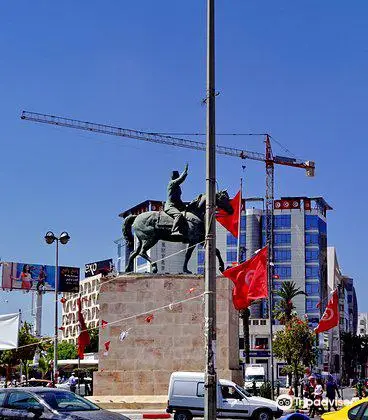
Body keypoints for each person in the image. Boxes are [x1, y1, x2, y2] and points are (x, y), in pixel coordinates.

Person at [164, 163, 188, 234]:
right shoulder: (171, 183)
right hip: (170, 206)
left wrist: (185, 206)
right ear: (175, 177)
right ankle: (174, 230)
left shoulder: (177, 187)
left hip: (177, 205)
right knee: (178, 215)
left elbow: (178, 199)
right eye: (177, 176)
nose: (178, 177)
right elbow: (181, 179)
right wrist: (185, 171)